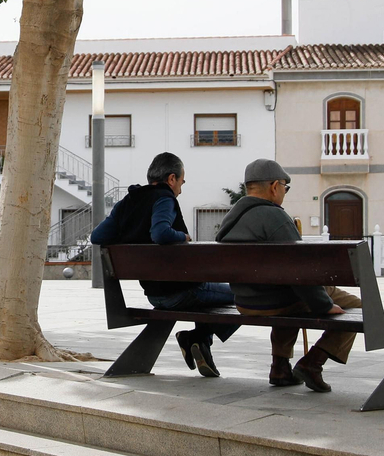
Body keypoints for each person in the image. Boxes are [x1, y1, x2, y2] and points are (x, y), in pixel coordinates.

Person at [214, 158, 362, 393]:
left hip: (246, 302)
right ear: (274, 186)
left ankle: (280, 367)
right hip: (276, 301)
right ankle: (313, 363)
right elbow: (300, 269)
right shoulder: (275, 217)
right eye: (285, 187)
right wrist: (323, 305)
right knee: (357, 307)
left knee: (287, 293)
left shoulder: (230, 219)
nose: (284, 192)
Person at [90, 152, 238, 377]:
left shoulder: (128, 201)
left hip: (153, 294)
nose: (180, 188)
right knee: (243, 296)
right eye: (181, 181)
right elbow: (160, 233)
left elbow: (98, 236)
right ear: (171, 179)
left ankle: (199, 339)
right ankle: (197, 338)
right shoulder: (164, 198)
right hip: (180, 292)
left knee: (208, 294)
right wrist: (183, 237)